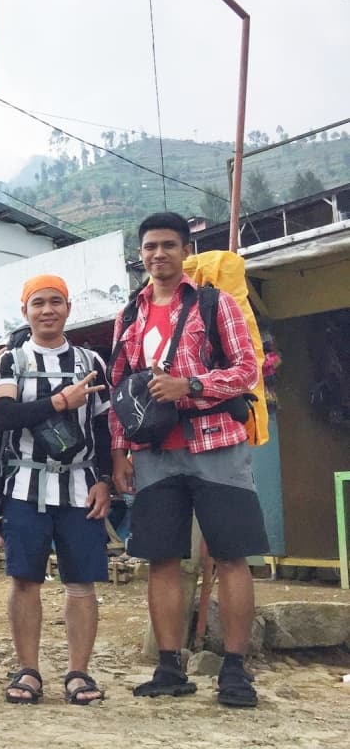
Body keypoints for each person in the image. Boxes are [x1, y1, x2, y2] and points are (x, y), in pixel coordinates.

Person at [109, 212, 266, 708]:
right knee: (161, 559)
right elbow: (120, 388)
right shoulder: (128, 316)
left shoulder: (214, 303)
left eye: (169, 245)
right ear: (140, 254)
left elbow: (247, 369)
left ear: (185, 250)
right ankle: (169, 667)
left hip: (217, 443)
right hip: (154, 452)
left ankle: (235, 671)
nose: (159, 254)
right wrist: (119, 451)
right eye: (150, 246)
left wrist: (191, 385)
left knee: (233, 554)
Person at [0, 274, 112, 705]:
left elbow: (103, 426)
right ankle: (28, 670)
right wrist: (59, 402)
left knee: (82, 582)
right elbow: (4, 416)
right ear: (25, 311)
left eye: (55, 302)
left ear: (68, 308)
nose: (47, 310)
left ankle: (79, 673)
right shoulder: (11, 361)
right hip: (25, 484)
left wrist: (106, 481)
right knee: (25, 580)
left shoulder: (91, 361)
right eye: (37, 303)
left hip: (81, 486)